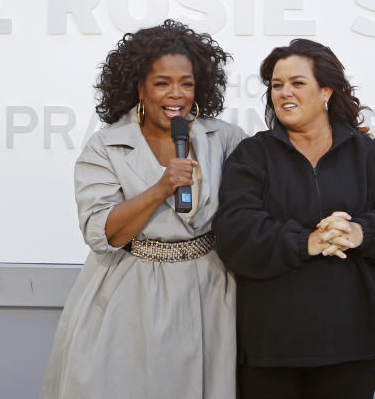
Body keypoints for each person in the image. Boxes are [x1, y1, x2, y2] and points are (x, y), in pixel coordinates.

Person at [40, 20, 246, 399]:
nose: (176, 94)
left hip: (209, 292)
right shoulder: (105, 147)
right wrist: (162, 187)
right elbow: (104, 234)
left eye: (186, 82)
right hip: (127, 293)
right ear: (139, 86)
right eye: (162, 82)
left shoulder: (225, 139)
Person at [213, 39, 375, 399]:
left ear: (326, 89)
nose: (284, 93)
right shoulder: (253, 155)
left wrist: (360, 231)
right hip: (269, 347)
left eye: (297, 83)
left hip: (351, 343)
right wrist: (306, 242)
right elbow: (234, 234)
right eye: (276, 85)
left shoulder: (371, 157)